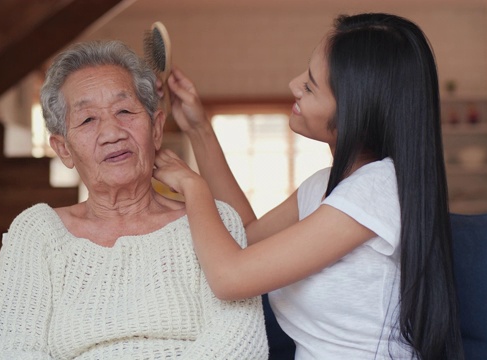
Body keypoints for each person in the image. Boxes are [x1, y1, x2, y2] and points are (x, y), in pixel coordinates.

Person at [153, 13, 465, 360]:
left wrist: (192, 186)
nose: (293, 84)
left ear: (354, 113)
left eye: (310, 86)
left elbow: (229, 278)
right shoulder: (325, 186)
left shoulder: (377, 189)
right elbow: (244, 233)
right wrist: (199, 130)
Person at [0, 40, 268, 359]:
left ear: (156, 129)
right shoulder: (36, 233)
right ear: (64, 149)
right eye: (88, 120)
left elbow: (242, 344)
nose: (112, 132)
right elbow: (11, 349)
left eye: (125, 111)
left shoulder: (216, 222)